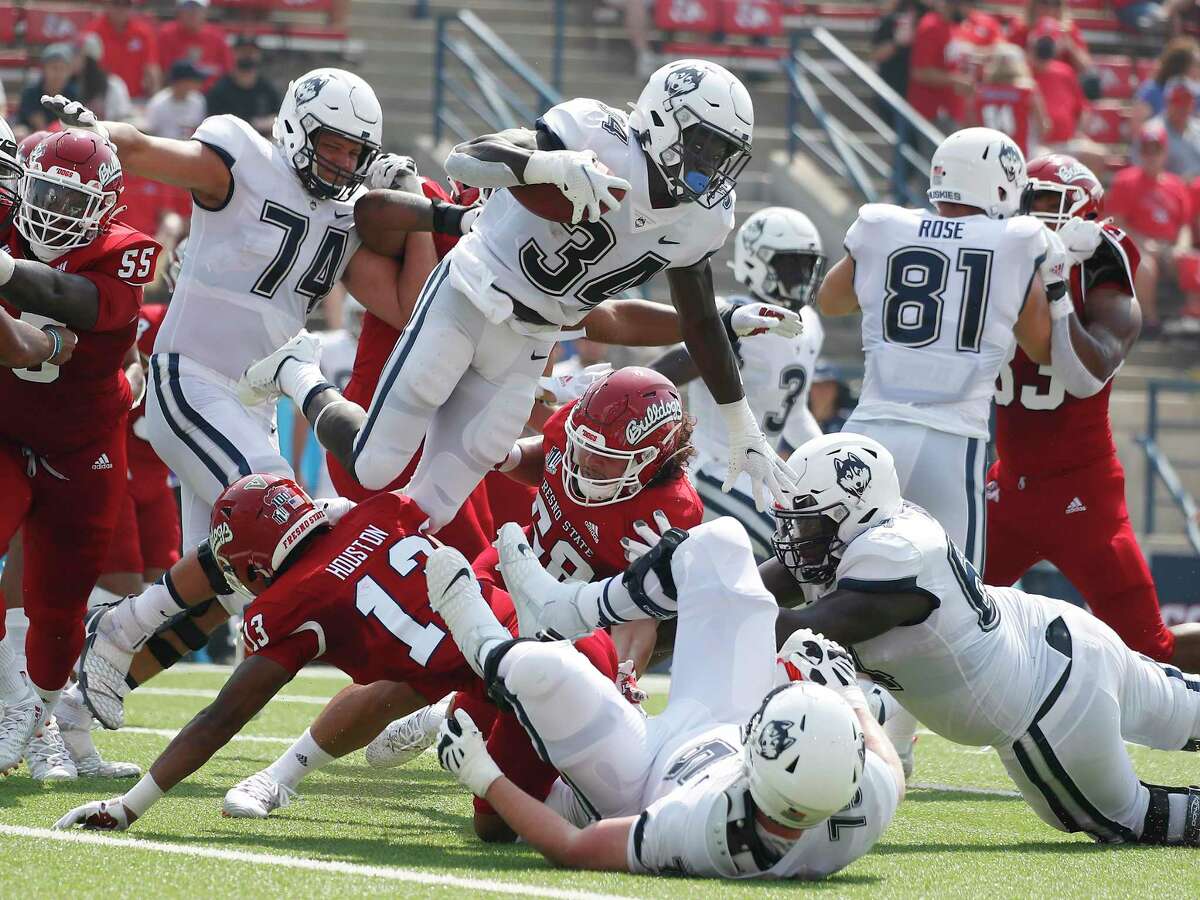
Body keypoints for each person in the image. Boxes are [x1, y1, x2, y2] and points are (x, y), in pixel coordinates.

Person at [242, 59, 793, 539]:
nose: (710, 166)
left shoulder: (702, 220)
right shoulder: (595, 134)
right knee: (374, 466)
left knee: (431, 511)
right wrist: (546, 165)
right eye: (702, 144)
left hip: (531, 342)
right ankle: (299, 375)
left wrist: (739, 419)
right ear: (659, 119)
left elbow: (691, 319)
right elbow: (465, 158)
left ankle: (351, 557)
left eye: (723, 153)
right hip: (469, 294)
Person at [219, 367, 703, 818]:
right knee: (409, 670)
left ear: (650, 461)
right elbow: (550, 457)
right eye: (582, 445)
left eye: (604, 457)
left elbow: (641, 610)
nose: (584, 462)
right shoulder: (576, 430)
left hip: (567, 630)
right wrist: (513, 456)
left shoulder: (671, 512)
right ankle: (279, 775)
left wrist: (622, 672)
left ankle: (443, 714)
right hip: (504, 572)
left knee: (516, 766)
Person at [38, 69, 464, 569]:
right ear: (298, 126)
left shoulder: (344, 217)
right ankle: (119, 627)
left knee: (223, 582)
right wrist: (101, 132)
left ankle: (120, 634)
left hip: (254, 410)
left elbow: (411, 308)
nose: (343, 163)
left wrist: (416, 202)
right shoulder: (244, 161)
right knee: (281, 524)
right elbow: (143, 150)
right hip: (192, 379)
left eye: (355, 153)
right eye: (333, 145)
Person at [55, 472, 620, 831]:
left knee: (500, 826)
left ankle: (590, 787)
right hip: (560, 642)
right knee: (427, 671)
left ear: (255, 563)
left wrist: (130, 805)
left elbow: (220, 718)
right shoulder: (377, 513)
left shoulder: (294, 605)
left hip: (532, 682)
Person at [758, 432, 1200, 847]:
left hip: (1046, 710)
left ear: (854, 510)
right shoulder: (869, 530)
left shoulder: (892, 554)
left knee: (1131, 817)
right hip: (1059, 631)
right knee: (1185, 710)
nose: (796, 537)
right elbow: (755, 590)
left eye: (810, 523)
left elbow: (794, 626)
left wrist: (707, 597)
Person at [432, 515, 903, 878]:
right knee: (722, 544)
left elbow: (572, 849)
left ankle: (479, 638)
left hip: (642, 777)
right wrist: (847, 694)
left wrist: (483, 775)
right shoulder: (867, 797)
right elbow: (890, 766)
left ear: (753, 763)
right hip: (719, 722)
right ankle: (570, 606)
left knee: (543, 671)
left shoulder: (709, 831)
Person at [988, 155, 1200, 670]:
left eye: (1047, 202)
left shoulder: (1103, 267)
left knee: (1149, 649)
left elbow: (1088, 374)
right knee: (937, 612)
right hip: (1007, 486)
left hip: (1081, 492)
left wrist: (1059, 284)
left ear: (1083, 213)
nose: (1033, 213)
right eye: (1027, 199)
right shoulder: (997, 255)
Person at [814, 126, 1055, 571]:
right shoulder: (1015, 241)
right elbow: (1043, 348)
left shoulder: (884, 226)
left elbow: (830, 301)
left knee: (834, 576)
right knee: (956, 600)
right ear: (1002, 187)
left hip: (870, 430)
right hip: (950, 439)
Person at [0, 130, 160, 777]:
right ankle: (15, 707)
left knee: (63, 607)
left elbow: (75, 301)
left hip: (85, 441)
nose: (54, 213)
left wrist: (9, 274)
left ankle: (36, 716)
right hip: (5, 428)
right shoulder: (7, 217)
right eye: (47, 194)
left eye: (74, 202)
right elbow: (23, 344)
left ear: (106, 210)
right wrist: (39, 346)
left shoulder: (127, 253)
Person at [650, 207, 825, 560]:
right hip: (712, 465)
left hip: (763, 470)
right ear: (755, 262)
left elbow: (794, 413)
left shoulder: (810, 325)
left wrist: (829, 454)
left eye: (807, 266)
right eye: (790, 266)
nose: (801, 277)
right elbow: (662, 376)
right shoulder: (733, 315)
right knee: (795, 549)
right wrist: (725, 331)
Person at [1106, 124, 1192, 334]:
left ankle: (1191, 316)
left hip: (1169, 245)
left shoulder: (1176, 184)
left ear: (1165, 152)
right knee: (1145, 266)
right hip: (1136, 244)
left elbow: (1185, 225)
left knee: (1190, 260)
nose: (1151, 156)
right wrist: (1145, 243)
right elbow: (1116, 222)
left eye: (1156, 150)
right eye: (1146, 150)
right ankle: (1150, 322)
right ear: (1139, 153)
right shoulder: (1125, 181)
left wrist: (1181, 246)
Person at [972, 43, 1049, 156]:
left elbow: (971, 127)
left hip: (989, 156)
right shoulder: (1027, 90)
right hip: (1021, 155)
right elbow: (1043, 128)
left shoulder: (980, 92)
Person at [204, 35, 282, 137]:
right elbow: (211, 121)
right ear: (234, 54)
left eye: (251, 52)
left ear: (258, 55)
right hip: (228, 143)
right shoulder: (220, 89)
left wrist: (259, 123)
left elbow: (280, 118)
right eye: (243, 51)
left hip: (262, 144)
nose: (247, 55)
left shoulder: (267, 89)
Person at [86, 0, 162, 100]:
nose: (121, 9)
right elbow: (86, 68)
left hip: (134, 98)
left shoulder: (143, 32)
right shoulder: (93, 31)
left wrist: (154, 97)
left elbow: (151, 67)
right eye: (116, 3)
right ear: (107, 5)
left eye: (126, 4)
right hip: (102, 99)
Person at [157, 0, 233, 90]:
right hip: (175, 94)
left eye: (197, 8)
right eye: (187, 8)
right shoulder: (166, 35)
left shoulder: (217, 36)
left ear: (205, 11)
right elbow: (160, 70)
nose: (192, 13)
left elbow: (227, 71)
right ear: (178, 11)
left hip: (210, 94)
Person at [1134, 79, 1200, 181]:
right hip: (1170, 192)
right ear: (1167, 102)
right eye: (1177, 101)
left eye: (1187, 102)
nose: (1182, 107)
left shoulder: (1197, 127)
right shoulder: (1151, 131)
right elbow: (1141, 171)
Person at [1133, 37, 1200, 128]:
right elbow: (1137, 128)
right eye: (1196, 65)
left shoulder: (1197, 93)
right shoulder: (1152, 90)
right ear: (1181, 66)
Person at [18, 44, 78, 132]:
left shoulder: (75, 94)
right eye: (54, 68)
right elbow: (37, 125)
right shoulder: (30, 93)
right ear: (44, 69)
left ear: (69, 71)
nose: (58, 74)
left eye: (62, 68)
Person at [144, 60, 207, 141]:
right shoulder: (158, 103)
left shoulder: (198, 100)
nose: (199, 83)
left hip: (191, 148)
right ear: (182, 82)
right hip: (163, 149)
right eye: (195, 80)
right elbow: (149, 133)